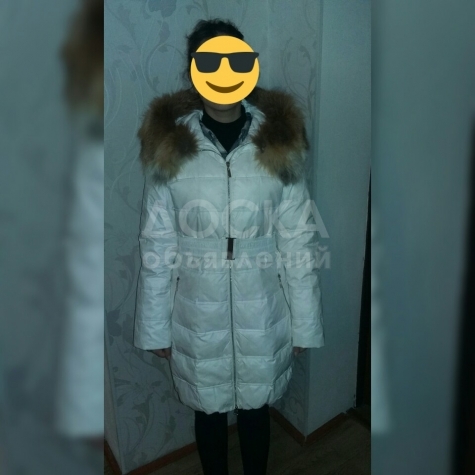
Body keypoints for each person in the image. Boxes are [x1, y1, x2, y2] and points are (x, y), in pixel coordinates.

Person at [133, 18, 325, 475]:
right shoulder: (171, 147)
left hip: (264, 306)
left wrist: (303, 323)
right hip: (197, 310)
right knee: (209, 411)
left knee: (258, 410)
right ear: (193, 72)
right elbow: (157, 245)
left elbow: (297, 240)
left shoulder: (277, 142)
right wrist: (155, 328)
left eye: (234, 60)